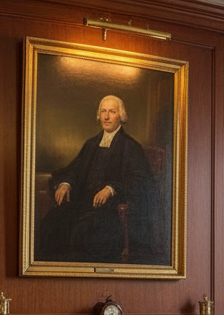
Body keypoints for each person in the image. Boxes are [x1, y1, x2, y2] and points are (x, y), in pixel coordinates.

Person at [36, 95, 155, 263]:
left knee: (82, 232)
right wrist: (65, 183)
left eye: (112, 112)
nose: (106, 117)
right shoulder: (91, 144)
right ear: (99, 115)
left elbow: (141, 181)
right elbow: (74, 169)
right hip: (82, 204)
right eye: (103, 111)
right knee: (51, 223)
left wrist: (111, 189)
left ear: (121, 116)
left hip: (109, 211)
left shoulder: (131, 147)